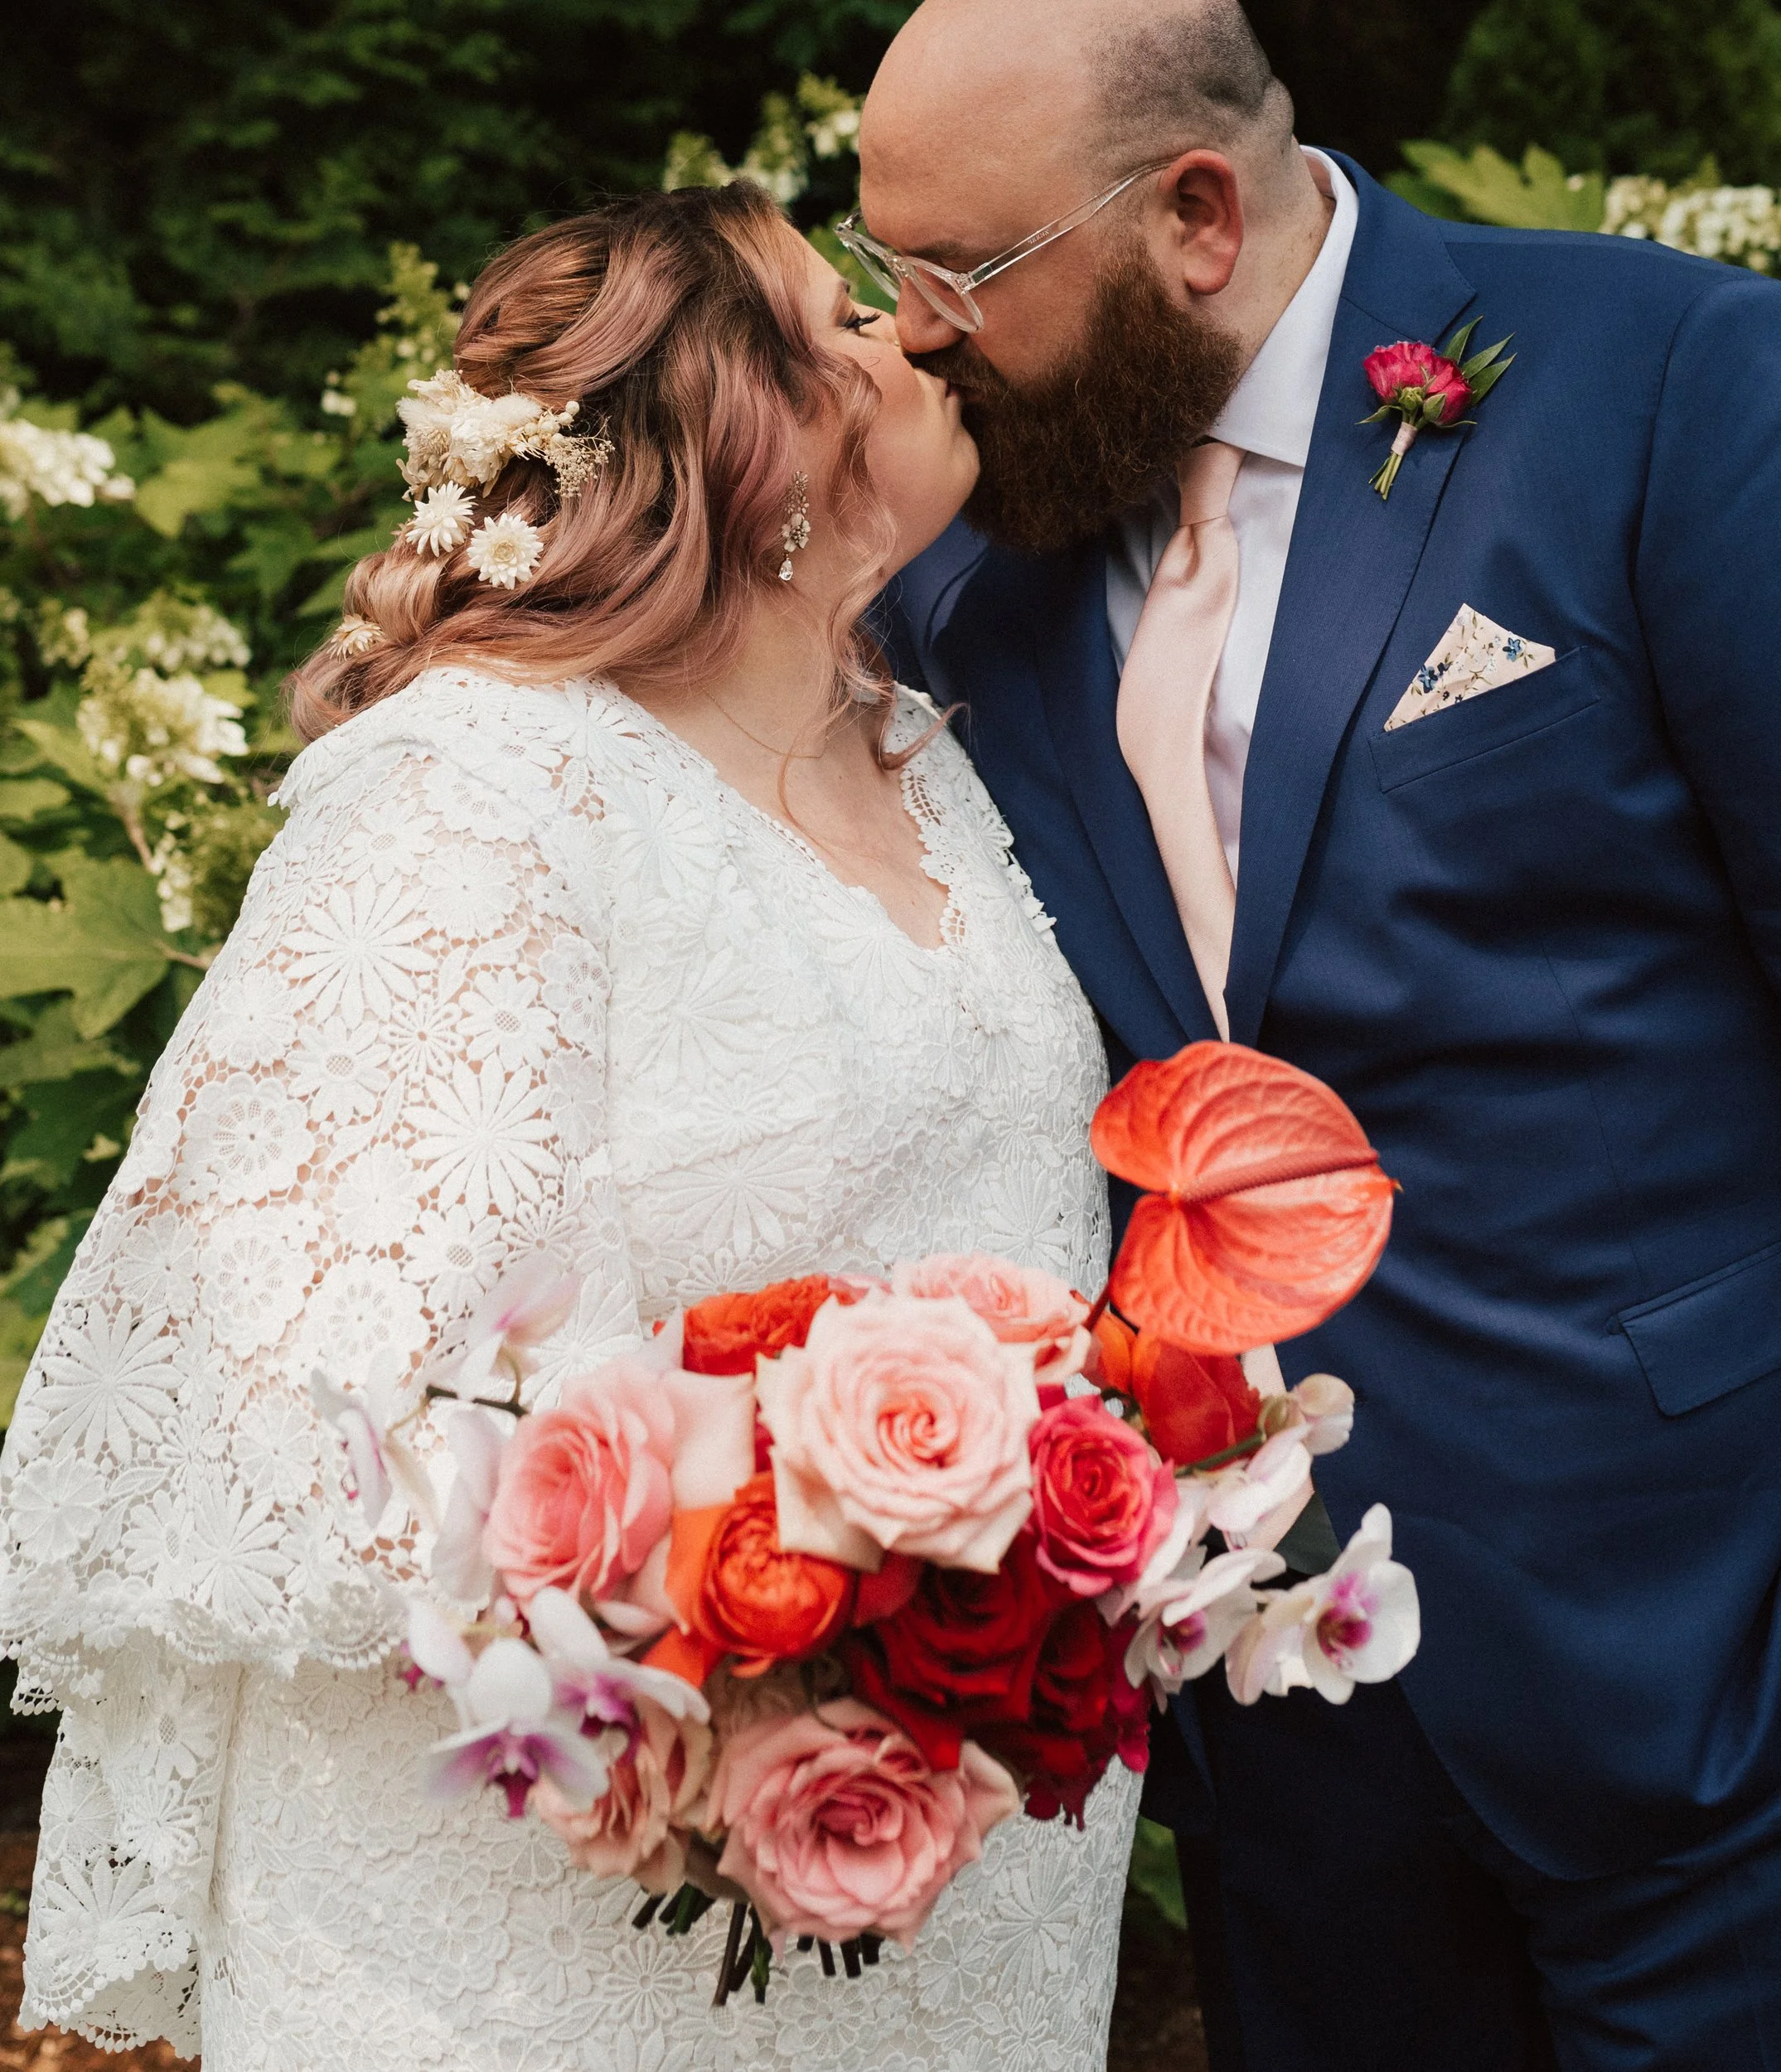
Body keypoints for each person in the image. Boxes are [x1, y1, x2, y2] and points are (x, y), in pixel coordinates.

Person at [859, 1, 1781, 2066]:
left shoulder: (1678, 389)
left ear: (1193, 218)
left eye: (959, 272)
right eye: (884, 263)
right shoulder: (987, 545)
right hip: (1284, 1725)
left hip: (1752, 1659)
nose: (910, 334)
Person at [0, 182, 1137, 2071]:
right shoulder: (472, 790)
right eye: (840, 319)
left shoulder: (922, 748)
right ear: (751, 441)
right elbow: (339, 1389)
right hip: (565, 1890)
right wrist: (774, 1606)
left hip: (966, 1861)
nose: (909, 332)